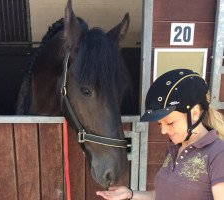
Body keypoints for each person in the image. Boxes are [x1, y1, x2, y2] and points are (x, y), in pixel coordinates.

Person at [96, 69, 224, 200]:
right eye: (160, 124)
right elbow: (164, 195)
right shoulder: (174, 149)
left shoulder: (219, 154)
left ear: (195, 113)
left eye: (170, 122)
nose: (163, 131)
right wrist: (131, 194)